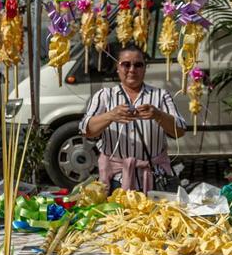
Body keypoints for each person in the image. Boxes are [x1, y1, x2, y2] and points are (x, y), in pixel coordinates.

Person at [80, 44, 187, 192]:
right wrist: (110, 115)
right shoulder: (104, 96)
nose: (132, 70)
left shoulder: (161, 95)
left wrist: (158, 115)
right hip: (116, 179)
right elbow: (86, 130)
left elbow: (180, 130)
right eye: (126, 64)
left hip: (154, 178)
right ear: (117, 67)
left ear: (144, 68)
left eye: (138, 65)